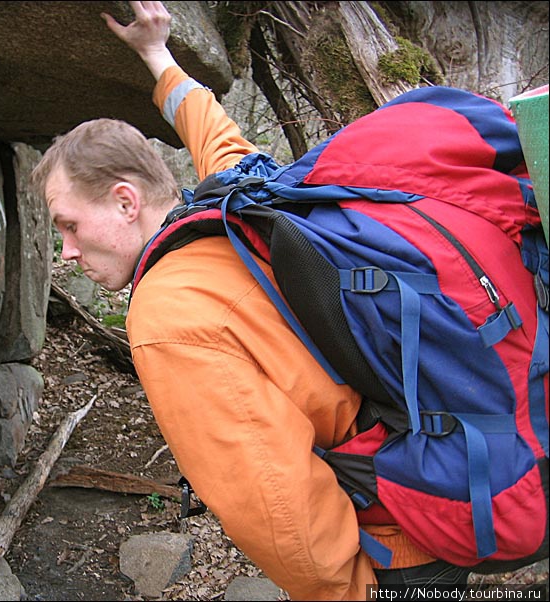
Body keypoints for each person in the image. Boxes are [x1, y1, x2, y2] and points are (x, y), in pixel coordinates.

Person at [30, 2, 472, 599]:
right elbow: (214, 132)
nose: (66, 252)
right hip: (446, 470)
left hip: (395, 544)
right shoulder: (239, 203)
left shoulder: (167, 315)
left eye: (70, 226)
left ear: (125, 201)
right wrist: (157, 55)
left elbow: (277, 503)